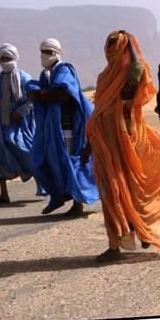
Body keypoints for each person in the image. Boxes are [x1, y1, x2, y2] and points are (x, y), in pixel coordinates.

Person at [83, 30, 160, 262]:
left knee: (128, 190)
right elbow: (98, 112)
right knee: (112, 193)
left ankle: (135, 234)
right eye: (108, 44)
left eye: (115, 45)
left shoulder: (129, 79)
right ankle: (120, 241)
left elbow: (138, 69)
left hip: (125, 144)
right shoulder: (105, 76)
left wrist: (131, 45)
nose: (110, 49)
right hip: (105, 145)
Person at [26, 38, 99, 216]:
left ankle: (77, 204)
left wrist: (41, 94)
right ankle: (57, 196)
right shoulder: (46, 74)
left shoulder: (64, 70)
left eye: (49, 52)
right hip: (51, 129)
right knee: (42, 162)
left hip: (68, 128)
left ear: (58, 53)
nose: (45, 55)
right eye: (43, 51)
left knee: (70, 163)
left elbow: (62, 96)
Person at [0, 43, 46, 205]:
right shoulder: (0, 78)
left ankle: (45, 185)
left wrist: (19, 112)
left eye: (8, 58)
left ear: (14, 58)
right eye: (2, 59)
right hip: (2, 126)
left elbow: (33, 99)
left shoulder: (23, 77)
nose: (5, 61)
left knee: (29, 152)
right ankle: (3, 194)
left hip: (21, 126)